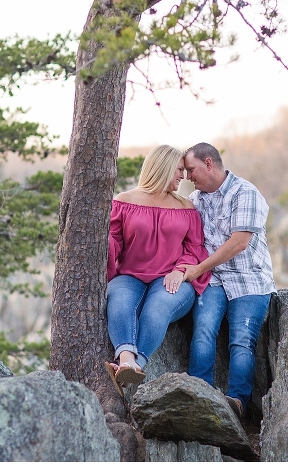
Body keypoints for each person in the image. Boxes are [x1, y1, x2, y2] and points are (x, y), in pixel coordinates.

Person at [104, 145, 211, 397]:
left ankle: (134, 366)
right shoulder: (124, 201)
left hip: (174, 279)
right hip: (130, 276)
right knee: (118, 299)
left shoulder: (186, 208)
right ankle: (127, 359)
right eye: (179, 170)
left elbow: (195, 248)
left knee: (157, 307)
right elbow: (113, 242)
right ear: (163, 168)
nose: (183, 177)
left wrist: (181, 270)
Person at [181, 142, 276, 418]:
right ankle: (198, 397)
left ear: (208, 163)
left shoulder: (245, 193)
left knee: (242, 340)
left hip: (250, 279)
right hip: (214, 280)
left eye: (191, 170)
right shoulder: (197, 201)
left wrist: (197, 270)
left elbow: (239, 243)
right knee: (203, 331)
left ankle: (236, 404)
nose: (188, 177)